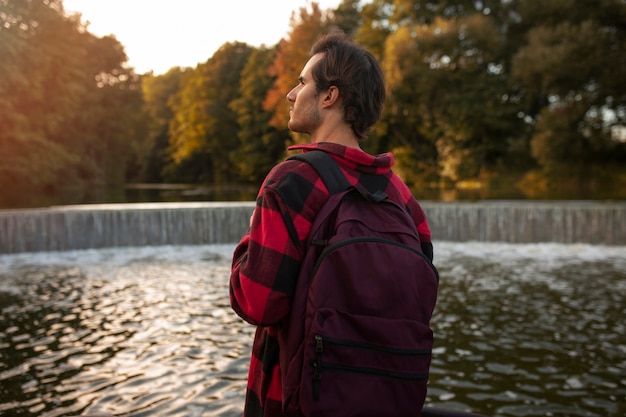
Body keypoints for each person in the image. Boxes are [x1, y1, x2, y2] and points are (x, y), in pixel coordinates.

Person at [229, 31, 434, 417]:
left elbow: (257, 302)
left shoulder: (291, 181)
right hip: (381, 401)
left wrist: (249, 239)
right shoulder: (402, 196)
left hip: (294, 402)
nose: (291, 94)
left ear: (329, 96)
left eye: (302, 82)